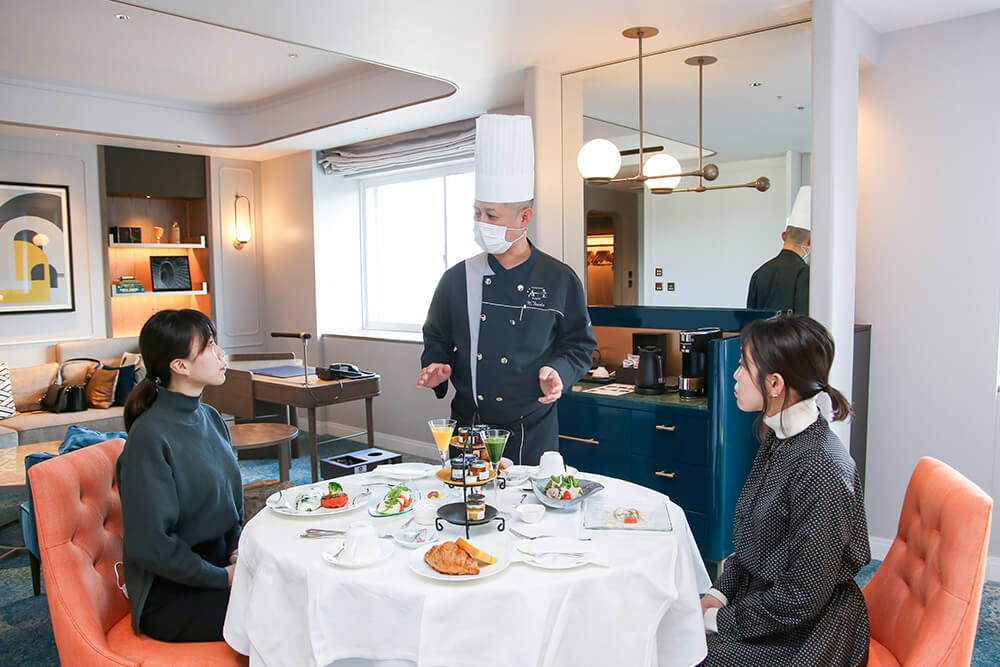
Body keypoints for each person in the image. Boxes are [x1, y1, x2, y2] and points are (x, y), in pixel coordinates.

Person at [418, 114, 596, 465]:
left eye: (492, 216)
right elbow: (436, 335)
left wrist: (558, 372)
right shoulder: (457, 278)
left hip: (531, 429)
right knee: (465, 499)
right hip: (469, 426)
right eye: (477, 213)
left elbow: (578, 345)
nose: (481, 223)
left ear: (524, 218)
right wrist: (437, 363)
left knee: (532, 501)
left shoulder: (559, 279)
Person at [700, 314, 870, 666]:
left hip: (810, 633)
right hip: (769, 607)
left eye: (743, 366)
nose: (735, 375)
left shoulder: (821, 469)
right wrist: (718, 594)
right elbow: (753, 545)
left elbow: (802, 597)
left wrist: (719, 620)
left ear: (775, 383)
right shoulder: (780, 438)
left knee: (680, 650)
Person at [117, 309, 243, 642]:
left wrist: (237, 549)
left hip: (221, 569)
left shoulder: (211, 418)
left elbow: (232, 509)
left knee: (306, 590)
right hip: (174, 595)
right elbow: (152, 547)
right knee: (287, 612)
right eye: (210, 345)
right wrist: (223, 577)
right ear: (180, 366)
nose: (221, 354)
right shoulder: (149, 438)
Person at [746, 185, 811, 314]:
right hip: (791, 329)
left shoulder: (759, 272)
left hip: (761, 329)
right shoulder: (804, 273)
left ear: (783, 236)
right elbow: (803, 318)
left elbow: (749, 316)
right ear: (809, 242)